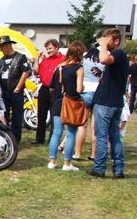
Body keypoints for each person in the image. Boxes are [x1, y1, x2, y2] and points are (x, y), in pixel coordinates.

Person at [89, 28, 130, 179]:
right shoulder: (120, 56)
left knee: (102, 136)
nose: (105, 42)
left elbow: (103, 59)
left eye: (108, 39)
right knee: (114, 136)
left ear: (116, 41)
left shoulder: (119, 54)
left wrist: (103, 45)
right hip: (115, 101)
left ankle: (99, 168)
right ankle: (118, 169)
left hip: (106, 102)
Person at [46, 41, 85, 171]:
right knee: (71, 133)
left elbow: (52, 87)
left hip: (58, 103)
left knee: (56, 132)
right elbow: (79, 89)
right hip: (71, 104)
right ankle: (67, 163)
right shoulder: (79, 68)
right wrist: (82, 87)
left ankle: (52, 161)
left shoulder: (59, 67)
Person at [0, 35, 31, 143]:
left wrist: (18, 87)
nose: (1, 50)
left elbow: (26, 72)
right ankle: (5, 137)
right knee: (4, 114)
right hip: (4, 91)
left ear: (8, 46)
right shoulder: (2, 60)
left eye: (2, 47)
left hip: (16, 92)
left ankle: (16, 139)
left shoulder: (20, 57)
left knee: (17, 116)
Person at [73, 45, 104, 161]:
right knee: (95, 127)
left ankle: (77, 153)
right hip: (98, 93)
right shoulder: (102, 63)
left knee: (82, 126)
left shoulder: (83, 62)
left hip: (85, 92)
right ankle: (94, 154)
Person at [32, 38, 65, 144]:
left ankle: (53, 139)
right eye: (47, 49)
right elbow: (36, 71)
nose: (48, 51)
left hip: (56, 89)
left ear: (56, 47)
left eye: (50, 48)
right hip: (44, 88)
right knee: (41, 114)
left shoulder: (63, 59)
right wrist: (37, 58)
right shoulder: (45, 60)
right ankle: (39, 138)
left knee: (55, 115)